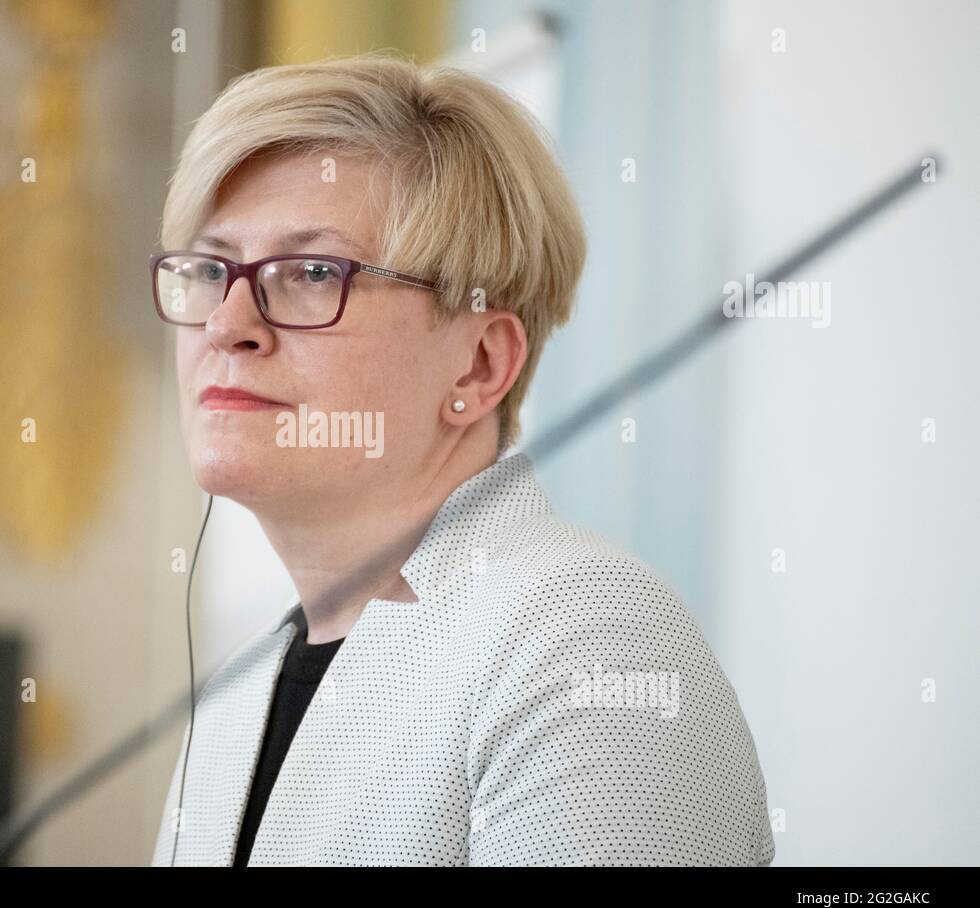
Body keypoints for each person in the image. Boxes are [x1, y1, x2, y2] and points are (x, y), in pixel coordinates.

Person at [148, 51, 774, 866]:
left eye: (310, 271)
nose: (228, 324)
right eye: (209, 268)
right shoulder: (239, 688)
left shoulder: (592, 644)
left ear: (479, 365)